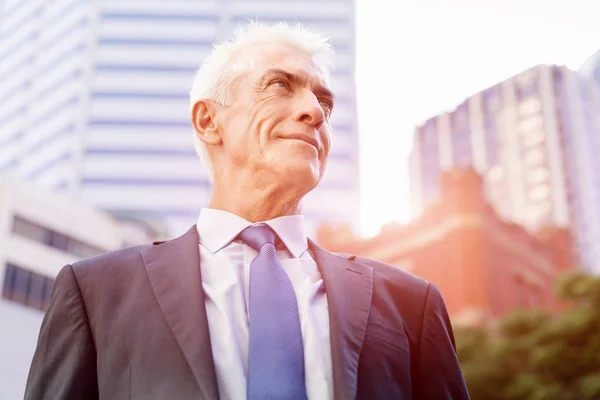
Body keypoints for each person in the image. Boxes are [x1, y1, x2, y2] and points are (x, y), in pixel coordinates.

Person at [24, 21, 470, 400]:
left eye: (325, 102)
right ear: (208, 120)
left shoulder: (412, 304)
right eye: (280, 85)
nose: (314, 111)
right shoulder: (95, 292)